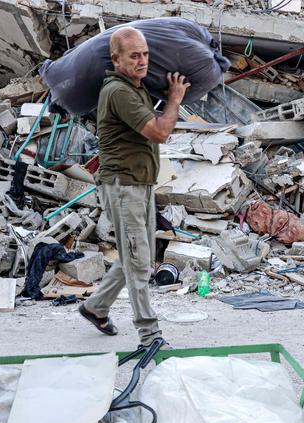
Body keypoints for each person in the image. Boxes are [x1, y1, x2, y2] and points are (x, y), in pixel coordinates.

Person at [78, 26, 191, 348]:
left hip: (140, 184)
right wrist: (175, 99)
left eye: (145, 55)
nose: (142, 61)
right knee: (140, 263)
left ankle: (95, 306)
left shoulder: (135, 87)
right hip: (123, 186)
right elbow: (159, 132)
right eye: (134, 56)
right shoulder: (119, 92)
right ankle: (149, 334)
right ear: (116, 59)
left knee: (132, 257)